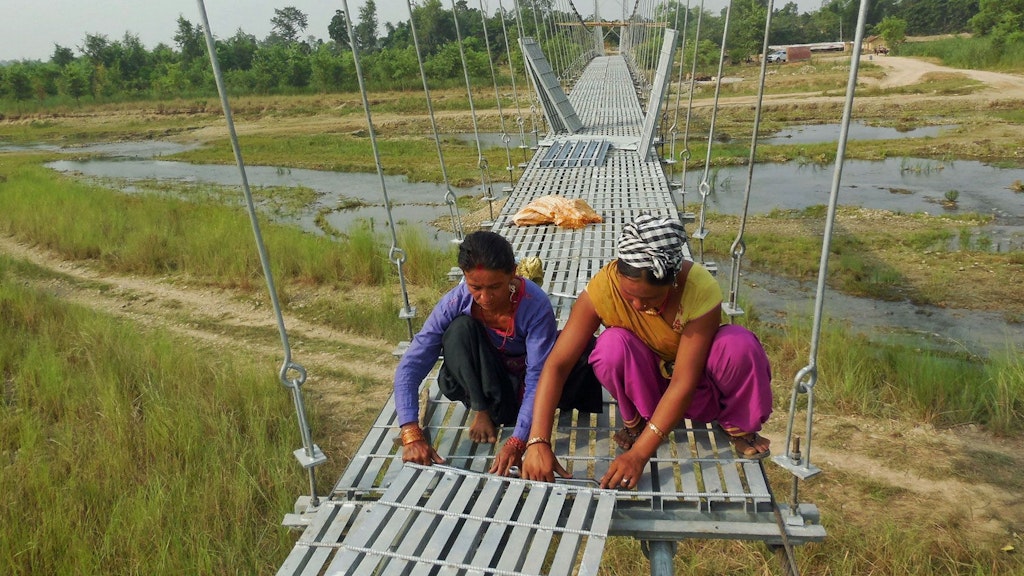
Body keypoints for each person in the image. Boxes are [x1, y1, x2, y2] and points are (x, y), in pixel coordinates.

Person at [520, 214, 773, 489]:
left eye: (651, 298)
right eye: (630, 297)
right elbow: (557, 364)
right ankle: (639, 422)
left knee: (738, 344)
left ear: (673, 281)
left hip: (696, 385)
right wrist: (538, 439)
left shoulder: (699, 289)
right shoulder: (604, 289)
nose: (639, 305)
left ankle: (738, 425)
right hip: (647, 385)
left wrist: (639, 454)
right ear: (618, 273)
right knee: (610, 346)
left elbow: (683, 382)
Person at [393, 230, 600, 477]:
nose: (485, 297)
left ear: (513, 273)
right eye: (475, 287)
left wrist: (519, 440)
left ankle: (511, 415)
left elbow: (538, 376)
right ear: (464, 276)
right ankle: (483, 410)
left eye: (495, 287)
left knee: (583, 347)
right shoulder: (455, 302)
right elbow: (412, 364)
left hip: (525, 384)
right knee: (459, 331)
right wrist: (411, 433)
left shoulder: (535, 305)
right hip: (487, 384)